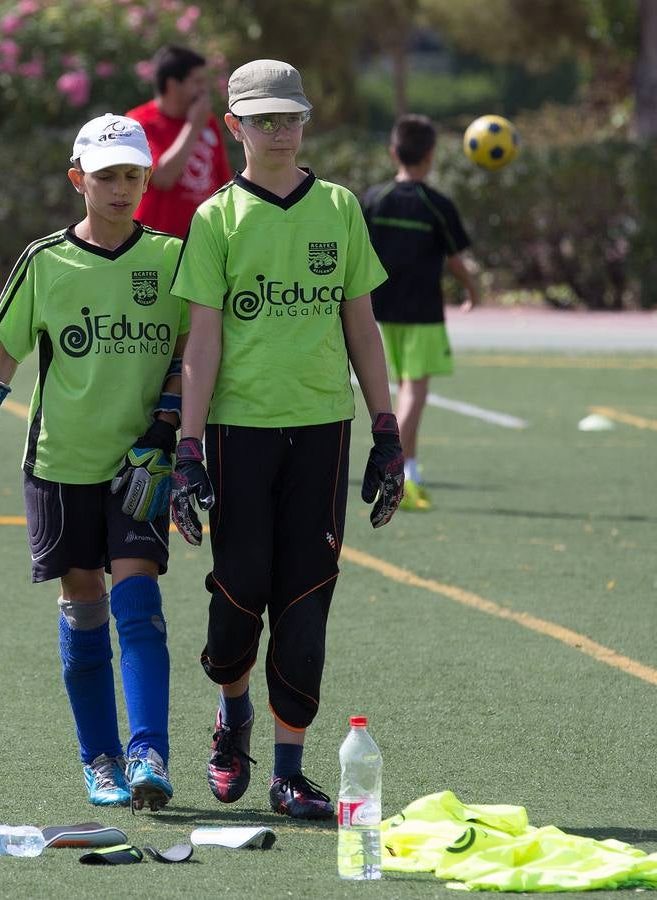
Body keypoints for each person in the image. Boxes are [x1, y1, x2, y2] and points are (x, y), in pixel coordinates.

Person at [0, 113, 191, 812]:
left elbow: (187, 358)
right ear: (79, 179)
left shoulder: (170, 257)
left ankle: (149, 754)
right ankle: (100, 758)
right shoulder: (45, 260)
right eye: (106, 176)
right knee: (84, 609)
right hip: (60, 465)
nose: (121, 188)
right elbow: (3, 357)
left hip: (140, 469)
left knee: (141, 606)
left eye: (133, 174)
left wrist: (163, 436)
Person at [166, 59, 405, 820]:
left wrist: (386, 430)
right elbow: (201, 342)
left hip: (321, 434)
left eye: (290, 117)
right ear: (233, 126)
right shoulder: (214, 218)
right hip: (238, 434)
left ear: (305, 122)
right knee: (239, 594)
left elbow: (361, 326)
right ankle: (231, 719)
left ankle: (289, 770)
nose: (279, 131)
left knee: (305, 601)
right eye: (263, 119)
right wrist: (189, 446)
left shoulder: (337, 208)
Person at [361, 114, 480, 511]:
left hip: (378, 310)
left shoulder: (373, 199)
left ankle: (409, 467)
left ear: (394, 152)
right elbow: (456, 259)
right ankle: (403, 470)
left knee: (400, 387)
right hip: (423, 313)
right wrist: (471, 290)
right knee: (413, 390)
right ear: (431, 155)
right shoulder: (437, 204)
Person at [126, 45, 233, 238]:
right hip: (157, 244)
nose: (204, 90)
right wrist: (193, 127)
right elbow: (163, 178)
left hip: (203, 241)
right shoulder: (138, 123)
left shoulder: (207, 121)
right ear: (173, 85)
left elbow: (222, 185)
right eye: (198, 82)